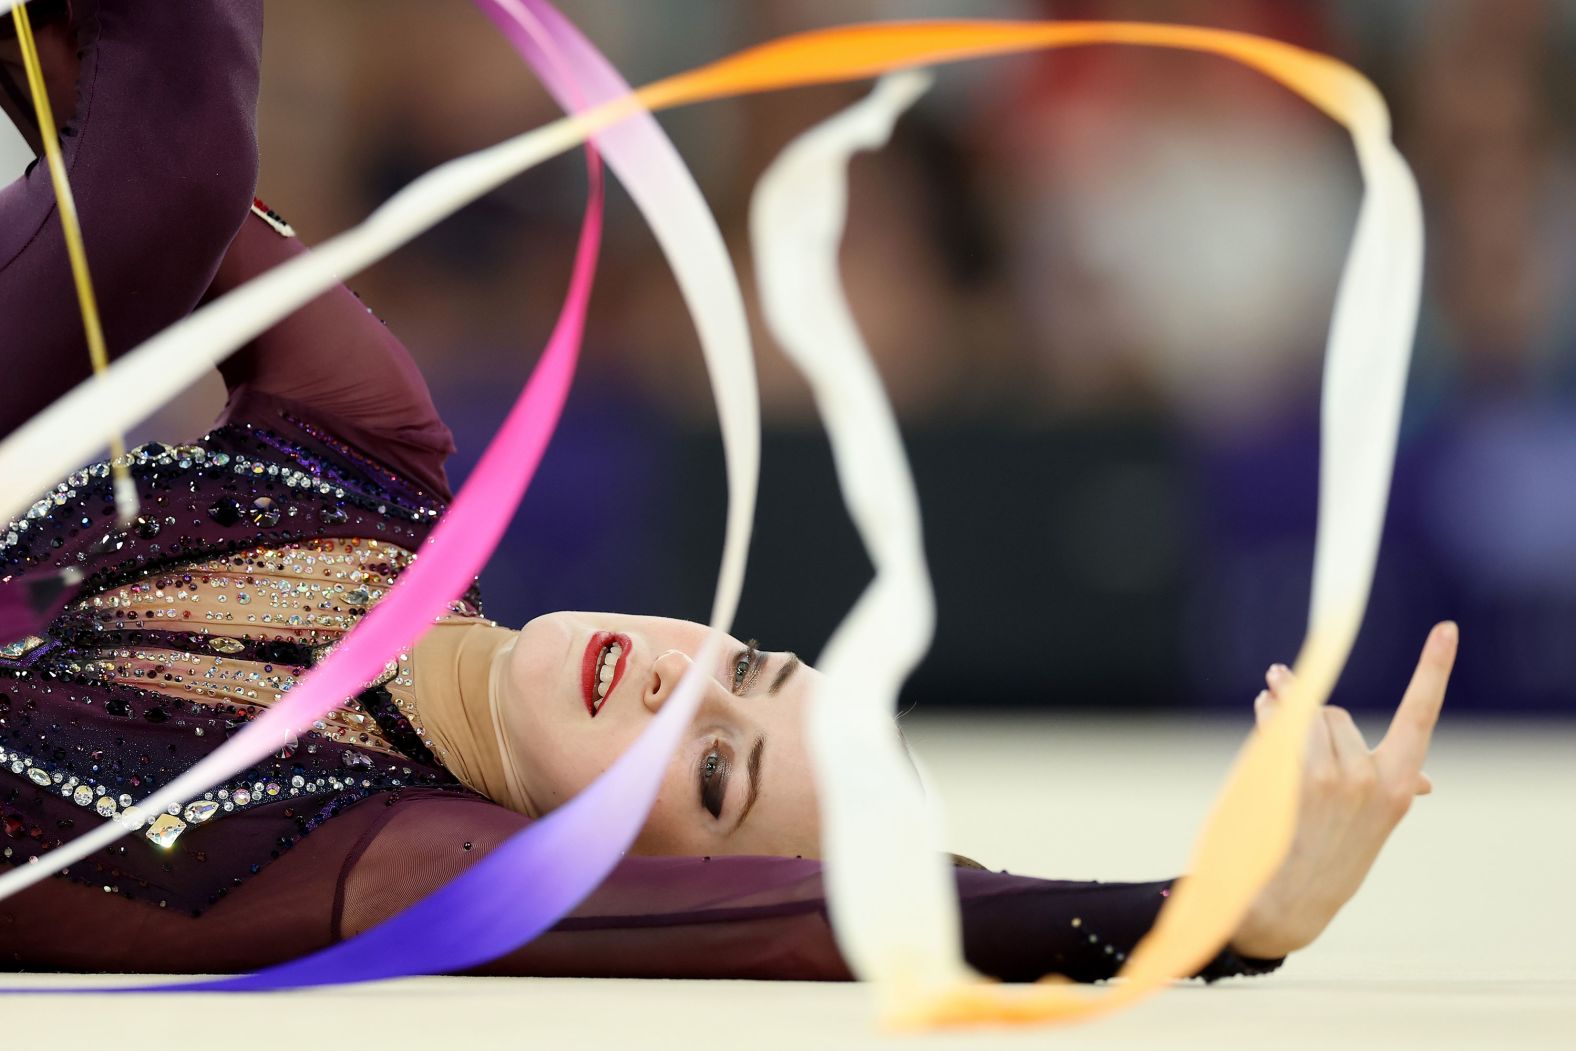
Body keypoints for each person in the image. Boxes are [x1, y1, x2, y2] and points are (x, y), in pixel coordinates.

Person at [0, 0, 1452, 981]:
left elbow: (837, 914)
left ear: (629, 864)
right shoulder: (373, 461)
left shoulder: (386, 855)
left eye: (708, 774)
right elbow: (113, 193)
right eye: (745, 667)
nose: (679, 691)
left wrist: (1213, 925)